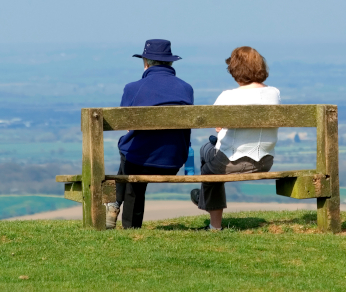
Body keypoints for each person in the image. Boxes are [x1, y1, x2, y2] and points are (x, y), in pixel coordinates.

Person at [106, 39, 194, 229]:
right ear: (170, 63)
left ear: (145, 63)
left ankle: (118, 213)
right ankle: (113, 205)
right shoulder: (186, 88)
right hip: (173, 160)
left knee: (127, 151)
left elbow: (126, 126)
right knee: (130, 156)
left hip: (139, 163)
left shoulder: (132, 88)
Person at [190, 46, 280, 230]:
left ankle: (214, 223)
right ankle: (205, 199)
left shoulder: (228, 96)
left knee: (207, 163)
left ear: (235, 70)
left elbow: (215, 124)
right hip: (265, 160)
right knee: (209, 155)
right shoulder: (274, 93)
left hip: (235, 162)